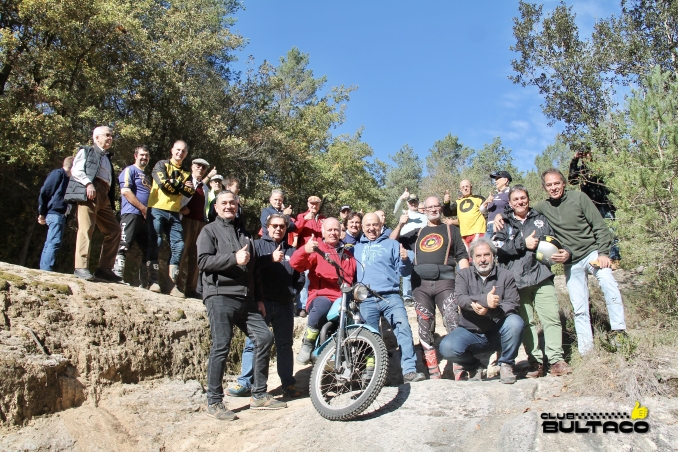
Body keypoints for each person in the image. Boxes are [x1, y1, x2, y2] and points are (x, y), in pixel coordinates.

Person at [495, 169, 627, 355]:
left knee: (607, 280)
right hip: (571, 261)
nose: (553, 187)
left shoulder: (579, 198)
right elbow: (519, 210)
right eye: (549, 185)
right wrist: (501, 215)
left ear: (563, 183)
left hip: (592, 254)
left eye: (556, 183)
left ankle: (619, 331)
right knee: (579, 306)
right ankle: (586, 351)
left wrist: (604, 253)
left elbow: (600, 226)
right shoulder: (543, 208)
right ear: (544, 188)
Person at [198, 190, 287, 420]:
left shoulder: (245, 234)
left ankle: (258, 394)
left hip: (246, 298)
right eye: (224, 203)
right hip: (219, 295)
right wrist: (232, 259)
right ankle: (215, 402)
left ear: (237, 206)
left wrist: (258, 298)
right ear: (216, 207)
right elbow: (203, 261)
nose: (229, 206)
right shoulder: (209, 230)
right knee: (221, 345)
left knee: (264, 337)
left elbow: (255, 268)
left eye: (232, 203)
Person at [493, 185, 573, 378]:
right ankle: (535, 361)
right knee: (527, 322)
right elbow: (497, 247)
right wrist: (522, 243)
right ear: (510, 203)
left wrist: (566, 252)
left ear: (528, 199)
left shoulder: (540, 218)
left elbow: (557, 238)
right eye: (516, 199)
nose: (520, 202)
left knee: (551, 318)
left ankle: (556, 360)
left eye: (523, 198)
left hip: (541, 276)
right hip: (516, 281)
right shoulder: (503, 222)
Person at [391, 196, 470, 379]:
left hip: (446, 282)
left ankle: (459, 366)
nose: (433, 209)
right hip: (420, 285)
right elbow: (391, 241)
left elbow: (462, 255)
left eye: (436, 206)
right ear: (424, 210)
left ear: (441, 208)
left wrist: (466, 281)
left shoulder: (452, 230)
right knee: (424, 325)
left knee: (452, 320)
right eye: (430, 207)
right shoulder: (417, 232)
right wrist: (400, 225)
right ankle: (433, 369)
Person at [228, 214, 305, 398]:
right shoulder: (256, 245)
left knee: (285, 345)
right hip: (260, 303)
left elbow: (300, 277)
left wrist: (292, 292)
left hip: (284, 304)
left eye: (282, 226)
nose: (278, 229)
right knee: (252, 343)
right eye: (274, 226)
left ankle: (288, 384)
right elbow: (250, 269)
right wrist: (270, 259)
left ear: (286, 229)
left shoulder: (292, 251)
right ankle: (246, 383)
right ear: (267, 227)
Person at [439, 238, 523, 383]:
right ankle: (475, 367)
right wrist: (485, 300)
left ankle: (506, 365)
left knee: (516, 322)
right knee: (447, 347)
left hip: (498, 331)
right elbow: (461, 298)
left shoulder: (506, 275)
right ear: (472, 258)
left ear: (493, 256)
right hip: (471, 332)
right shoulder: (463, 275)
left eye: (486, 255)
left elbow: (512, 304)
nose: (482, 259)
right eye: (478, 256)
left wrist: (489, 311)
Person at [354, 213, 426, 383]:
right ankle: (372, 375)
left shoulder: (392, 244)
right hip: (366, 299)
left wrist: (405, 260)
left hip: (391, 296)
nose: (372, 228)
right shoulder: (356, 248)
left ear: (381, 226)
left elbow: (405, 272)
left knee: (403, 329)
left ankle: (409, 371)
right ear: (363, 228)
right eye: (368, 225)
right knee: (368, 338)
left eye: (375, 225)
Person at [290, 218, 356, 365]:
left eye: (336, 230)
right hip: (320, 296)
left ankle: (362, 359)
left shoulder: (348, 254)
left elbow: (352, 278)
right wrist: (304, 250)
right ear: (323, 232)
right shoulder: (317, 249)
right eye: (330, 230)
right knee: (322, 305)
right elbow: (295, 264)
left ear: (341, 232)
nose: (333, 233)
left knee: (358, 320)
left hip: (342, 298)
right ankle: (308, 343)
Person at [64, 126, 121, 282]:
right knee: (86, 228)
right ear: (97, 137)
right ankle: (80, 267)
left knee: (114, 230)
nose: (110, 138)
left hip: (104, 195)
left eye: (111, 135)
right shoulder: (87, 151)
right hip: (90, 191)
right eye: (107, 135)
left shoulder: (107, 157)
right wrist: (88, 184)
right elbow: (76, 170)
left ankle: (104, 269)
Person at [146, 140, 195, 298]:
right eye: (177, 150)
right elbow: (162, 184)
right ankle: (151, 280)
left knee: (179, 245)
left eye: (183, 151)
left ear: (186, 154)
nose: (180, 153)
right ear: (172, 150)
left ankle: (171, 284)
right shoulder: (161, 165)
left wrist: (174, 183)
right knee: (156, 241)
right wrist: (180, 185)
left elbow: (189, 192)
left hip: (174, 212)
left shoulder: (187, 173)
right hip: (157, 208)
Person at [569, 150, 621, 268]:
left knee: (611, 230)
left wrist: (592, 159)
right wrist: (574, 160)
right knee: (594, 233)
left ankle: (614, 259)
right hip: (590, 206)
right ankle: (601, 259)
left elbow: (607, 175)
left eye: (586, 153)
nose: (584, 156)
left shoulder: (598, 166)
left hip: (605, 204)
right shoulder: (581, 170)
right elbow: (571, 180)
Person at [113, 146, 151, 285]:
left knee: (148, 249)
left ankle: (145, 282)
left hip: (145, 217)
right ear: (135, 155)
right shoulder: (130, 170)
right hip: (132, 213)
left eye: (146, 155)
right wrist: (142, 208)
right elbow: (126, 192)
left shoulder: (147, 176)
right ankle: (117, 276)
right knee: (123, 244)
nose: (144, 158)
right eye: (142, 155)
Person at [176, 158, 211, 298]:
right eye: (198, 166)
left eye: (203, 167)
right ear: (192, 167)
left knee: (196, 256)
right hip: (185, 221)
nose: (200, 169)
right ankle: (176, 285)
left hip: (200, 222)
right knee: (181, 252)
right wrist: (181, 207)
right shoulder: (184, 180)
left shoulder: (205, 187)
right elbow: (174, 197)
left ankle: (191, 288)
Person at [389, 189, 427, 305]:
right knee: (407, 272)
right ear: (408, 203)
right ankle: (407, 297)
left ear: (418, 202)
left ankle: (422, 294)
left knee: (422, 270)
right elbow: (396, 210)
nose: (413, 203)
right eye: (411, 202)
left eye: (415, 201)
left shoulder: (424, 216)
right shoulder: (404, 213)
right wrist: (402, 198)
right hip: (406, 245)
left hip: (421, 246)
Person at [37, 156, 74, 271]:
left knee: (51, 240)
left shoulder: (69, 180)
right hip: (54, 213)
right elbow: (45, 191)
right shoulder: (58, 174)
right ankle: (47, 269)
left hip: (61, 214)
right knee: (55, 241)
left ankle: (44, 268)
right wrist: (42, 212)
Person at [292, 195, 326, 318]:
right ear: (308, 204)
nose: (314, 206)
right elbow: (294, 231)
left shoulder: (323, 219)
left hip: (320, 255)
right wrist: (305, 220)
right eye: (312, 203)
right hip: (306, 253)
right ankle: (302, 307)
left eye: (316, 204)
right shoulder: (301, 216)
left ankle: (312, 305)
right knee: (304, 281)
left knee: (316, 280)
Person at [443, 180, 486, 250]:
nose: (465, 188)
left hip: (478, 232)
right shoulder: (458, 202)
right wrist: (446, 202)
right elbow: (447, 213)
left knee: (477, 254)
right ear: (460, 190)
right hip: (464, 235)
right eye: (463, 187)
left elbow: (487, 213)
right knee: (468, 257)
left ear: (471, 187)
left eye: (467, 186)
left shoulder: (479, 198)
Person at [480, 171, 511, 238]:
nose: (495, 181)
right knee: (485, 246)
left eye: (497, 179)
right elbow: (482, 210)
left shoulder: (510, 194)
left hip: (501, 226)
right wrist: (486, 202)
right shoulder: (494, 196)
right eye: (495, 179)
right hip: (489, 227)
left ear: (505, 180)